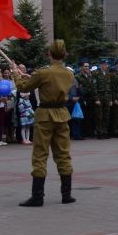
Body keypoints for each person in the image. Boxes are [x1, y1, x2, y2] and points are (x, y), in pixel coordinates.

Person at [14, 40, 77, 207]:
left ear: (50, 54)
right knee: (63, 154)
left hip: (45, 116)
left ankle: (37, 196)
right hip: (62, 114)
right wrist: (34, 77)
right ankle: (66, 194)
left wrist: (16, 74)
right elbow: (51, 81)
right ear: (64, 55)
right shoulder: (69, 73)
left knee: (40, 155)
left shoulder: (43, 72)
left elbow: (23, 88)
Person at [93, 61, 113, 139]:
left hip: (107, 97)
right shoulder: (96, 74)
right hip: (100, 96)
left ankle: (105, 132)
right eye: (105, 65)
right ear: (101, 65)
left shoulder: (108, 74)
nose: (106, 66)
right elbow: (94, 87)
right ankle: (99, 132)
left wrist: (111, 99)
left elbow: (111, 88)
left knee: (106, 115)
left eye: (107, 65)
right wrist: (96, 98)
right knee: (99, 116)